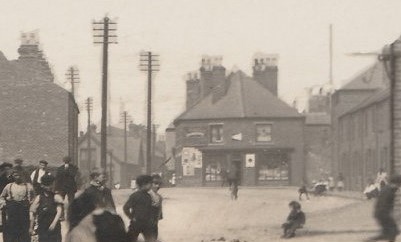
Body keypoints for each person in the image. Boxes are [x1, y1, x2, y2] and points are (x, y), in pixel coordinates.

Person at [0, 170, 34, 242]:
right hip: (13, 211)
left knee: (24, 231)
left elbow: (34, 197)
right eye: (15, 175)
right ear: (13, 176)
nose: (17, 177)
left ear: (22, 176)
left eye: (19, 175)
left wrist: (31, 203)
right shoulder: (9, 186)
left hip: (24, 210)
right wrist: (4, 203)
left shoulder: (28, 186)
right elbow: (2, 197)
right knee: (12, 230)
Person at [367, 174, 401, 242]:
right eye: (399, 184)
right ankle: (370, 240)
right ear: (397, 183)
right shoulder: (390, 190)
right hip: (383, 214)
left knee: (391, 232)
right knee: (392, 231)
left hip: (381, 213)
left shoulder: (388, 188)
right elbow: (384, 203)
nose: (399, 186)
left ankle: (371, 239)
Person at [29, 174, 63, 242]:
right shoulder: (39, 198)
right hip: (42, 226)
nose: (50, 187)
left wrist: (54, 223)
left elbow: (59, 212)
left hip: (54, 226)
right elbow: (32, 213)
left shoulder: (56, 197)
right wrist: (31, 227)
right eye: (47, 185)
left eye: (51, 184)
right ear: (42, 185)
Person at [123, 175, 156, 242]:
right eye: (150, 183)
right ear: (144, 184)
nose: (151, 185)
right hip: (136, 223)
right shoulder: (135, 196)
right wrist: (131, 217)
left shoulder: (148, 196)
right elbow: (126, 207)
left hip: (146, 224)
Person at [149, 174, 163, 240]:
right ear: (150, 184)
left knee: (154, 236)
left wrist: (157, 219)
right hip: (146, 222)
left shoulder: (159, 197)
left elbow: (159, 210)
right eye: (155, 183)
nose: (158, 186)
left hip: (154, 222)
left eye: (159, 184)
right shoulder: (147, 195)